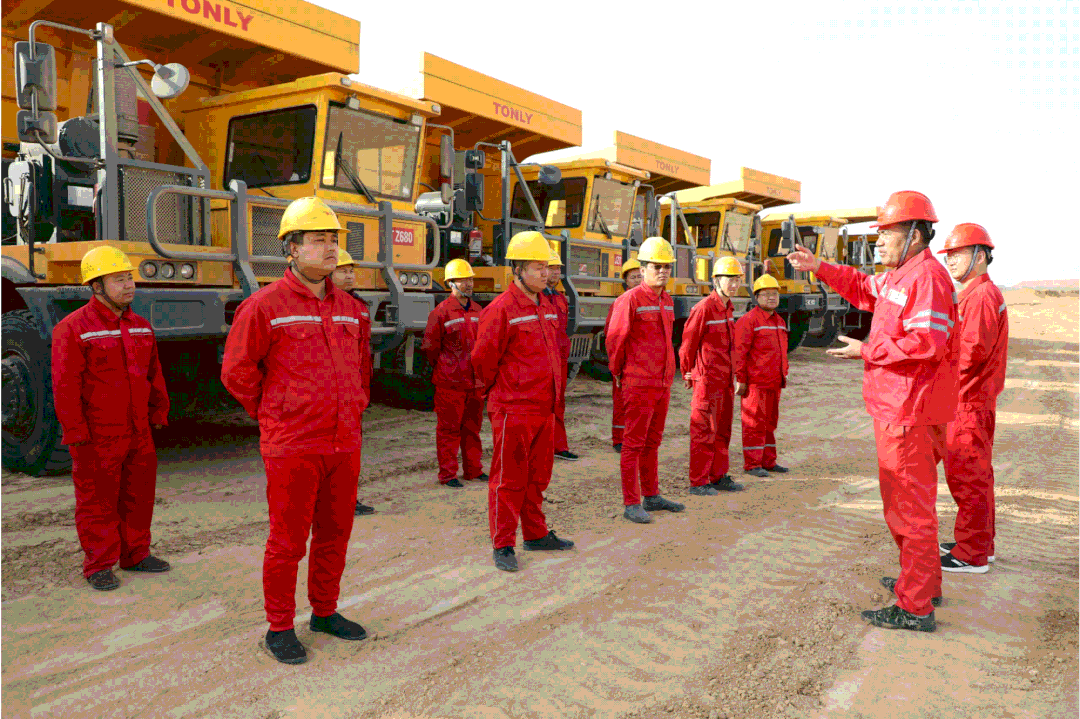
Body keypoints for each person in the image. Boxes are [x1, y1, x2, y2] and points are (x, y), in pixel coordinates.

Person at [787, 190, 959, 633]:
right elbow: (863, 288)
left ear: (915, 234)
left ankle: (915, 607)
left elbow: (927, 343)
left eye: (887, 233)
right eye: (878, 233)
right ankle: (922, 583)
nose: (878, 241)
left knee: (909, 509)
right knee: (906, 505)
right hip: (900, 408)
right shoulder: (903, 275)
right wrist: (818, 266)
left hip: (909, 412)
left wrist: (867, 350)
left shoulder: (927, 279)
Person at [222, 196, 371, 664]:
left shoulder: (350, 308)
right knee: (287, 542)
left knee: (335, 533)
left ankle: (324, 612)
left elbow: (362, 368)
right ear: (291, 248)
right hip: (293, 444)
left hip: (343, 441)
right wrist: (275, 413)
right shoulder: (264, 306)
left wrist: (355, 405)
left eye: (333, 240)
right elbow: (236, 371)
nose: (330, 249)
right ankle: (280, 626)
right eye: (318, 240)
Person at [51, 247, 171, 592]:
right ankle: (99, 565)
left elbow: (154, 374)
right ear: (96, 286)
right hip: (97, 433)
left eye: (129, 277)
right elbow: (65, 385)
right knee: (97, 500)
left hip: (137, 429)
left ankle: (135, 554)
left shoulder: (141, 326)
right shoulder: (73, 328)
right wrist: (75, 431)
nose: (129, 285)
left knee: (139, 494)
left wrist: (158, 411)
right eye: (119, 279)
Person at [472, 231, 575, 572]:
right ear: (517, 269)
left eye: (546, 266)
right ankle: (503, 543)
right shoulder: (500, 309)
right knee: (509, 478)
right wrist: (501, 393)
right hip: (514, 407)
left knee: (538, 476)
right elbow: (483, 360)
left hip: (544, 407)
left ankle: (535, 533)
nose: (545, 273)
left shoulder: (546, 305)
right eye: (537, 267)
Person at [937, 223, 1008, 573]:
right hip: (972, 401)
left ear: (980, 256)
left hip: (967, 402)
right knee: (977, 476)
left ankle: (971, 554)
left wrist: (934, 373)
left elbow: (970, 354)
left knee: (967, 479)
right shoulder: (976, 293)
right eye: (948, 255)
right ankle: (980, 543)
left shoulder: (980, 297)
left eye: (958, 254)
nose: (950, 260)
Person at [605, 237, 686, 524]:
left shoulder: (666, 300)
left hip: (662, 383)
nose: (662, 271)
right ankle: (631, 503)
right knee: (633, 444)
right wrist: (620, 374)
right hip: (639, 383)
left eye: (666, 267)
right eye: (656, 266)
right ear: (642, 269)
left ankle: (651, 496)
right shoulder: (629, 300)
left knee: (652, 442)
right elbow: (615, 341)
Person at [679, 256, 744, 495]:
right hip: (706, 380)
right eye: (729, 280)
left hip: (725, 380)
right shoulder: (704, 308)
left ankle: (719, 476)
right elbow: (688, 344)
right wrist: (688, 372)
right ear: (716, 280)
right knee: (703, 431)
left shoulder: (728, 308)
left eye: (737, 280)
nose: (734, 285)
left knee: (723, 430)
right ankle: (698, 482)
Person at [422, 258, 487, 488]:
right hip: (450, 383)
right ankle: (448, 474)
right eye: (462, 279)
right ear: (450, 283)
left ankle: (473, 470)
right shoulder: (440, 313)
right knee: (448, 430)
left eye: (470, 279)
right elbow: (430, 348)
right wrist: (445, 369)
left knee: (473, 429)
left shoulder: (479, 311)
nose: (468, 284)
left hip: (475, 382)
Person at [329, 247, 376, 516]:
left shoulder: (359, 307)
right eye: (342, 271)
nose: (349, 276)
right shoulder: (326, 306)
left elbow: (363, 354)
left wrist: (362, 391)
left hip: (355, 390)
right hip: (333, 392)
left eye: (351, 271)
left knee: (350, 449)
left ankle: (348, 499)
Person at [734, 274, 790, 478]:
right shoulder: (748, 321)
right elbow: (739, 353)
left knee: (770, 422)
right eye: (766, 294)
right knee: (753, 423)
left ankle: (768, 461)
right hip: (755, 383)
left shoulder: (779, 321)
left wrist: (783, 374)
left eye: (774, 293)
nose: (771, 297)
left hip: (774, 381)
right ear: (756, 297)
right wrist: (740, 379)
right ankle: (752, 464)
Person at [543, 246, 578, 461]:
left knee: (558, 403)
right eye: (551, 268)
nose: (556, 272)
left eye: (558, 269)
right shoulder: (537, 298)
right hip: (542, 360)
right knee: (541, 404)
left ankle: (559, 446)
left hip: (560, 360)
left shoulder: (560, 299)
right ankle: (543, 447)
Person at [605, 259, 642, 453]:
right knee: (621, 401)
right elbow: (611, 334)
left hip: (642, 363)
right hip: (625, 361)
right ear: (626, 281)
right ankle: (619, 439)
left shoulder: (651, 301)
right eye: (633, 277)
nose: (637, 280)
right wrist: (616, 364)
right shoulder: (620, 302)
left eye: (639, 276)